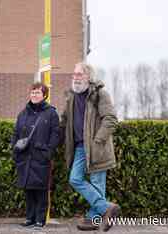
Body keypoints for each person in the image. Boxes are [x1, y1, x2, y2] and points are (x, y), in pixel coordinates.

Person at [60, 62, 121, 232]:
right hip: (79, 147)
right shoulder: (71, 97)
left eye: (79, 74)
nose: (75, 77)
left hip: (97, 147)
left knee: (97, 183)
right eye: (74, 74)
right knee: (75, 178)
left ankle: (93, 220)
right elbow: (64, 121)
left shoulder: (100, 94)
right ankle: (106, 208)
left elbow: (110, 119)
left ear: (88, 76)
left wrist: (98, 140)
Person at [11, 82, 59, 230]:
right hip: (25, 158)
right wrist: (15, 151)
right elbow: (16, 133)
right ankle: (29, 219)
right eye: (32, 92)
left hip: (41, 157)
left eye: (37, 92)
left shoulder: (51, 113)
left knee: (41, 190)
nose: (34, 95)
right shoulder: (23, 113)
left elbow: (56, 134)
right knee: (28, 190)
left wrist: (48, 152)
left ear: (44, 95)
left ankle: (40, 220)